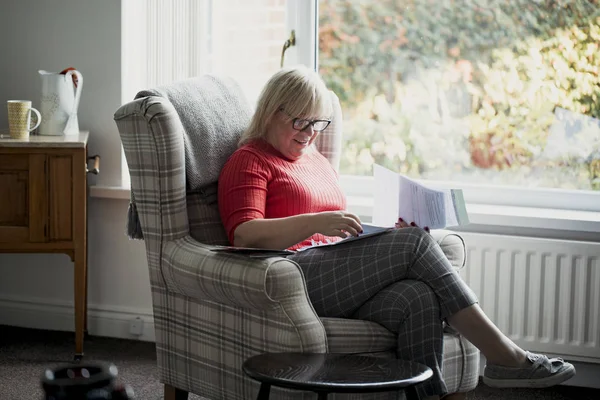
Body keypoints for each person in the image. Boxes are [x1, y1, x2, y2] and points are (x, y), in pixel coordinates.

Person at [217, 65, 575, 400]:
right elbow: (245, 235)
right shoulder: (250, 159)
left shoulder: (315, 160)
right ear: (272, 112)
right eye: (300, 121)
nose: (310, 133)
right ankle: (504, 355)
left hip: (333, 271)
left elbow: (335, 232)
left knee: (416, 296)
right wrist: (314, 223)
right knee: (415, 244)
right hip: (293, 277)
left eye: (317, 123)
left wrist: (381, 236)